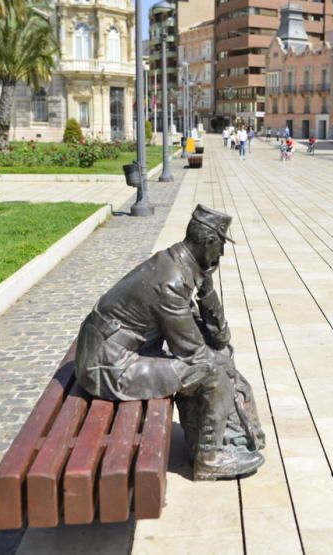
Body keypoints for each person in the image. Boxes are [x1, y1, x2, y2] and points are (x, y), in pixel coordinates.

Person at [74, 204, 266, 481]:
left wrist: (207, 287)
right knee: (210, 371)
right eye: (221, 245)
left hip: (115, 351)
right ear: (209, 242)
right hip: (109, 367)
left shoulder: (177, 262)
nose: (222, 253)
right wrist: (220, 360)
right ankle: (209, 458)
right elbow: (193, 353)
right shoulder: (172, 282)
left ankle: (220, 438)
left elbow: (219, 337)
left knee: (218, 355)